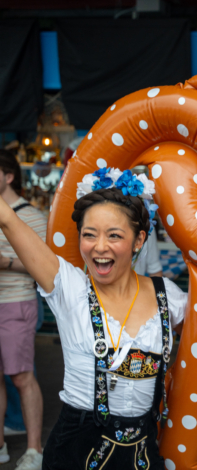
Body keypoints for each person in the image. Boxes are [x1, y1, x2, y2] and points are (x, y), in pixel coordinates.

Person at [0, 166, 197, 469]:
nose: (99, 247)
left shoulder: (169, 297)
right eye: (89, 235)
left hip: (144, 450)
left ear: (138, 241)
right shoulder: (68, 287)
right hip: (76, 447)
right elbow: (7, 219)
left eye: (114, 235)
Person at [0, 152, 45, 469]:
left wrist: (6, 264)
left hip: (15, 302)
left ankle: (34, 450)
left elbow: (45, 268)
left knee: (21, 377)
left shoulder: (31, 216)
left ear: (8, 176)